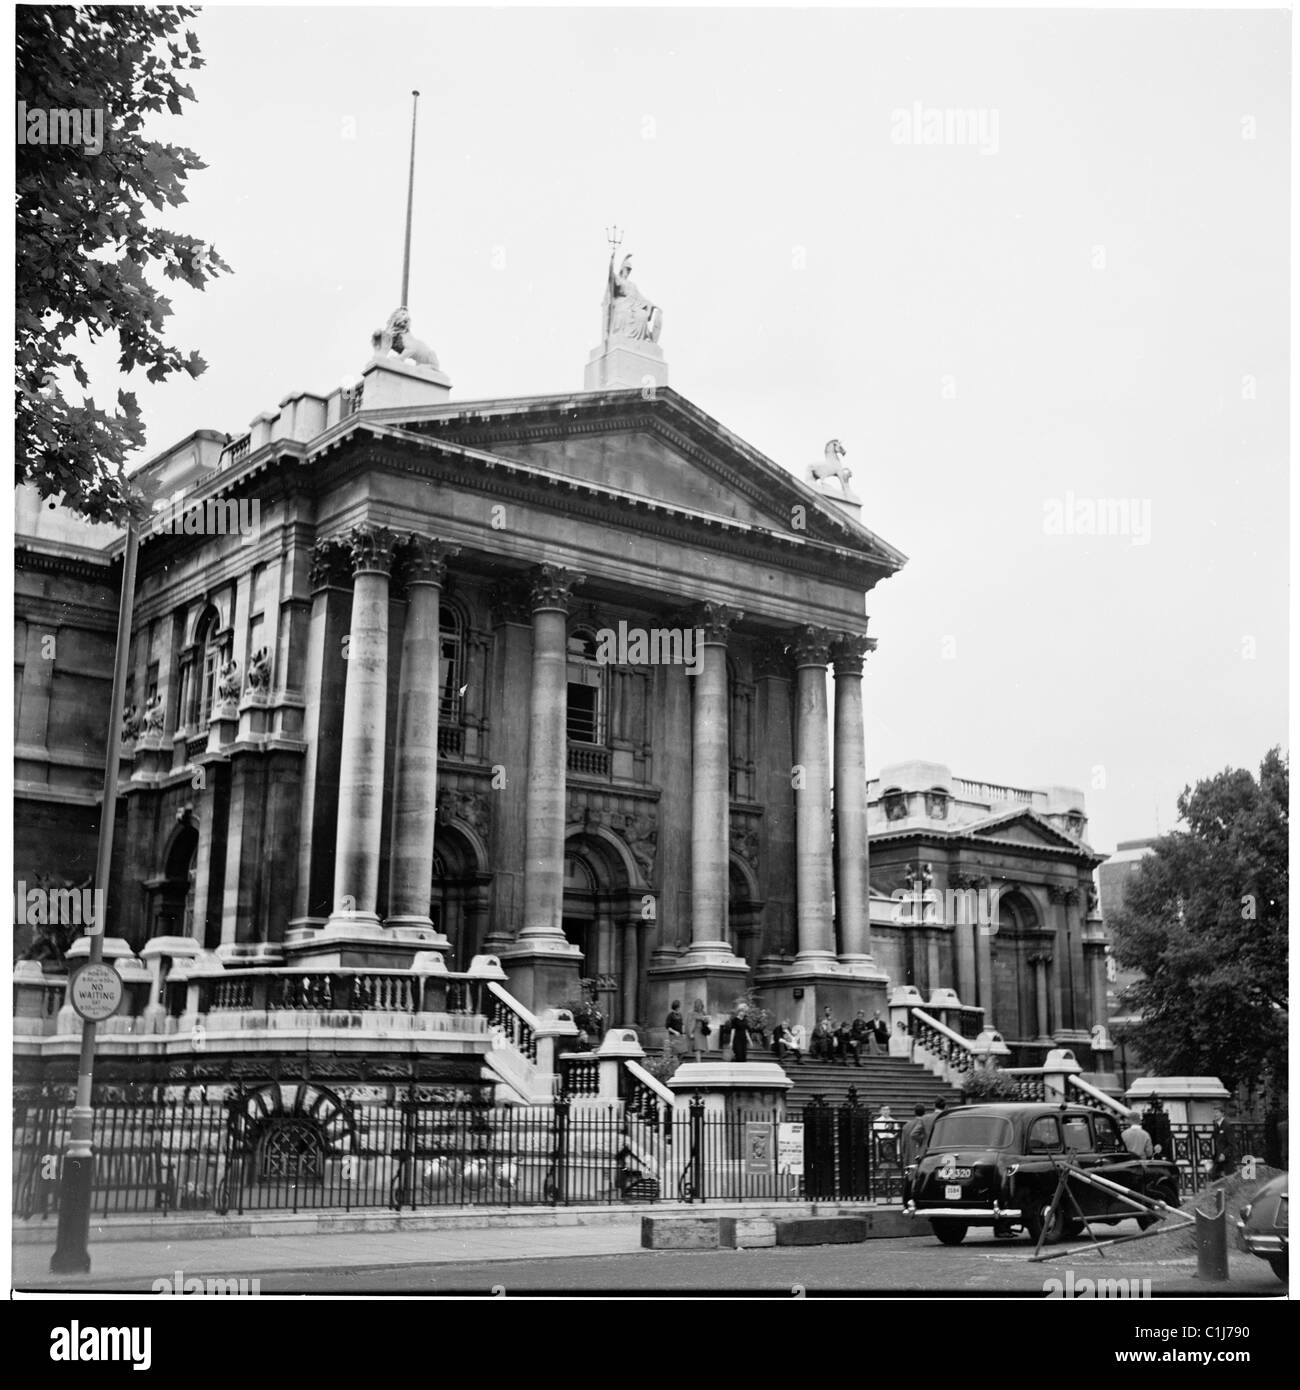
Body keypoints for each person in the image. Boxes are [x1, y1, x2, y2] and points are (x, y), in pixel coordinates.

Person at [1210, 1108, 1235, 1180]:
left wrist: (1224, 1154)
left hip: (1226, 1158)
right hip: (1218, 1157)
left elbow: (1231, 1144)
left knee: (1229, 1179)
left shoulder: (1227, 1126)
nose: (1215, 1114)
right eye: (1214, 1112)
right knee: (1214, 1176)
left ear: (1222, 1113)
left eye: (1217, 1112)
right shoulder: (1216, 1126)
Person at [691, 998, 711, 1062]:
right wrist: (703, 1018)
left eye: (700, 1006)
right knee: (697, 1048)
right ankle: (698, 1063)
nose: (700, 1007)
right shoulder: (693, 1013)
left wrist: (707, 1020)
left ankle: (697, 1061)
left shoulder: (703, 1012)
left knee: (702, 1048)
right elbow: (696, 1018)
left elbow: (706, 1021)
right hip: (696, 1030)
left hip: (702, 1031)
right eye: (698, 1006)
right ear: (696, 1006)